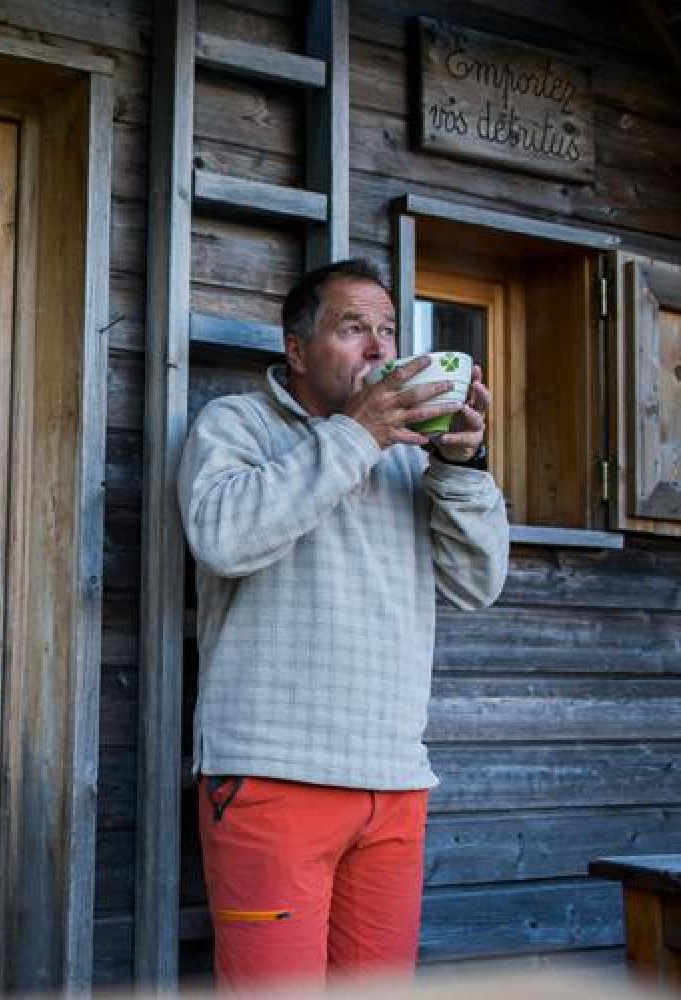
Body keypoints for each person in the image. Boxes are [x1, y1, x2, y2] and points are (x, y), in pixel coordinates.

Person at [178, 259, 509, 992]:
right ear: (296, 349)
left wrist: (462, 464)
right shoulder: (237, 425)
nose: (379, 348)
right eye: (353, 327)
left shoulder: (406, 457)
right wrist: (357, 435)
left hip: (393, 781)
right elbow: (223, 538)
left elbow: (477, 584)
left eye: (388, 330)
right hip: (272, 777)